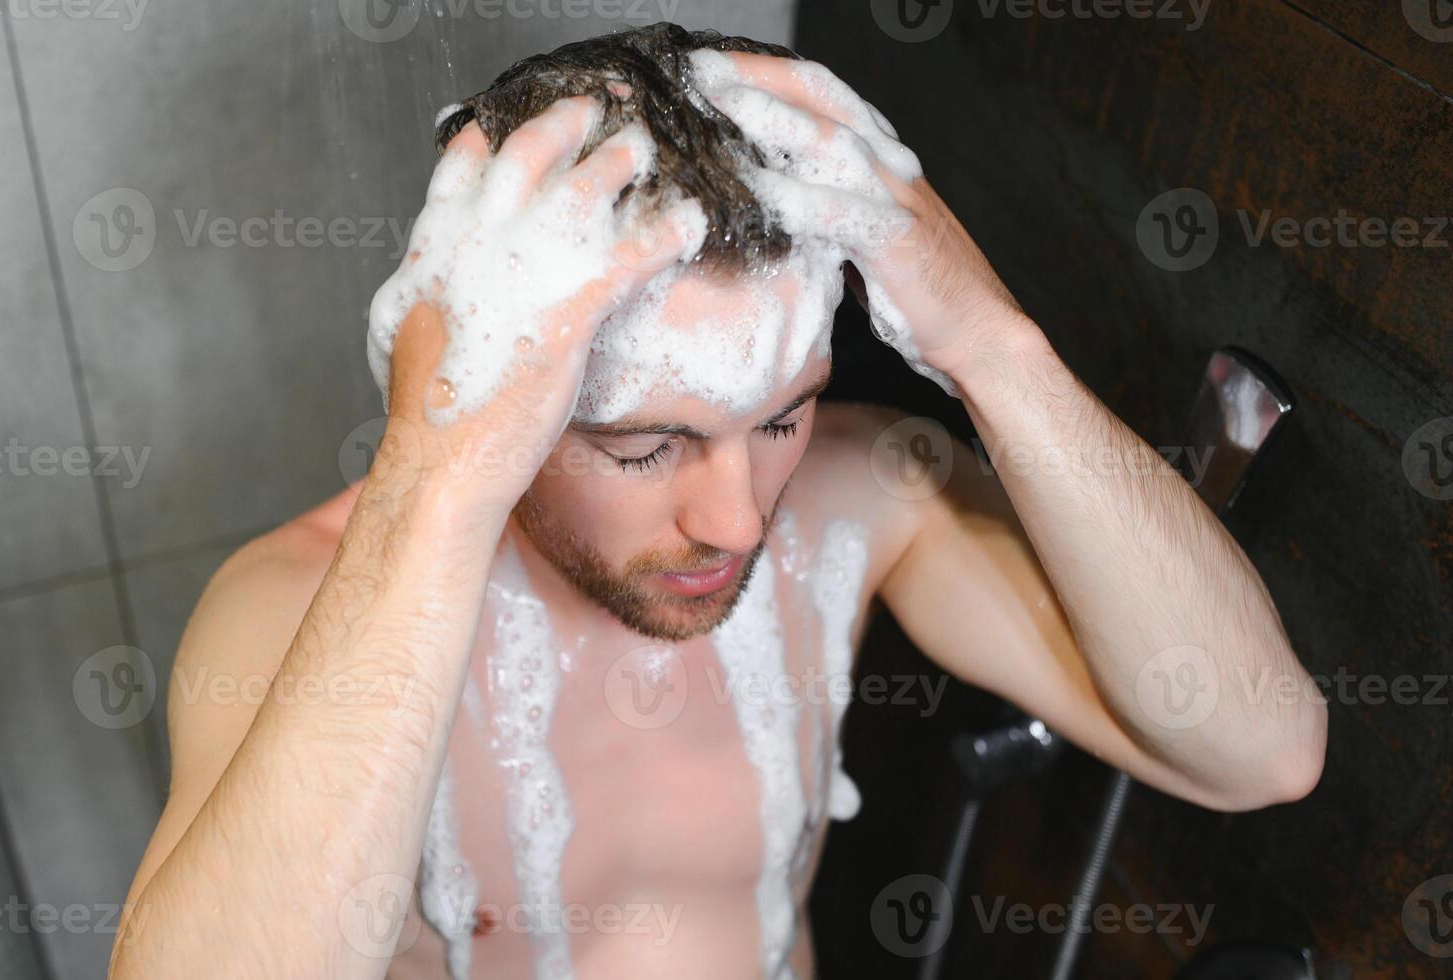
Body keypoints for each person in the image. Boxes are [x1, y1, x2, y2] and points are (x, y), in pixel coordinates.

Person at [109, 23, 1326, 980]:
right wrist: (435, 468)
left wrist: (992, 345)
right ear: (500, 411)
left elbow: (1263, 750)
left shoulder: (861, 496)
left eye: (781, 415)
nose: (740, 520)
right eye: (648, 447)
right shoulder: (289, 607)